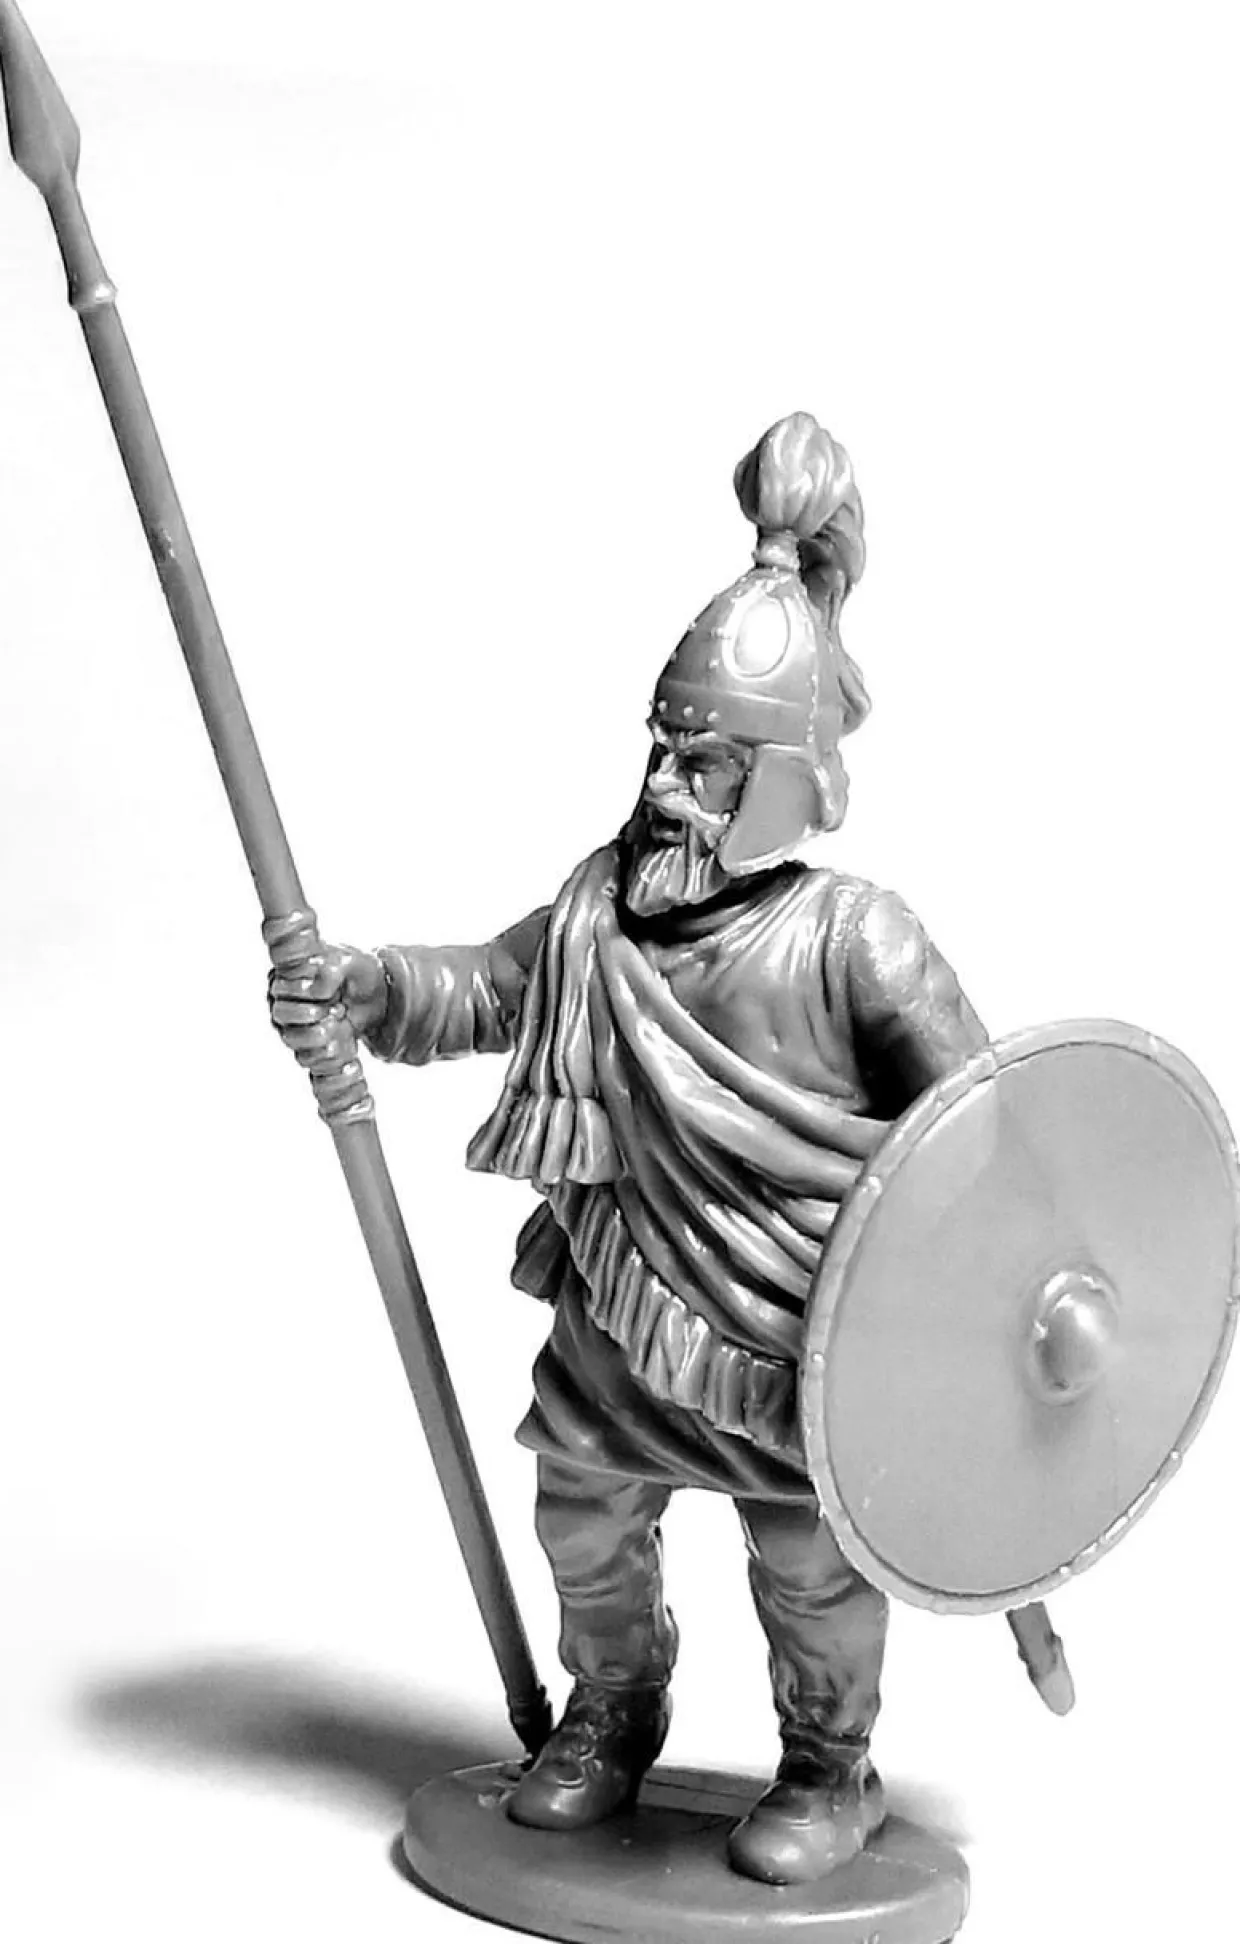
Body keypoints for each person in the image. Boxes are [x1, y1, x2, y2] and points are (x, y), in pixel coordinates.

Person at [270, 412, 986, 1886]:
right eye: (661, 749)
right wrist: (372, 987)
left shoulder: (857, 940)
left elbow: (980, 1134)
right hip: (617, 1301)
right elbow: (491, 987)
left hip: (797, 1333)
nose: (665, 785)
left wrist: (980, 1313)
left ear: (784, 778)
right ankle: (609, 1716)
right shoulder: (598, 910)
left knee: (808, 1562)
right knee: (584, 1518)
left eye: (705, 765)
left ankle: (828, 1767)